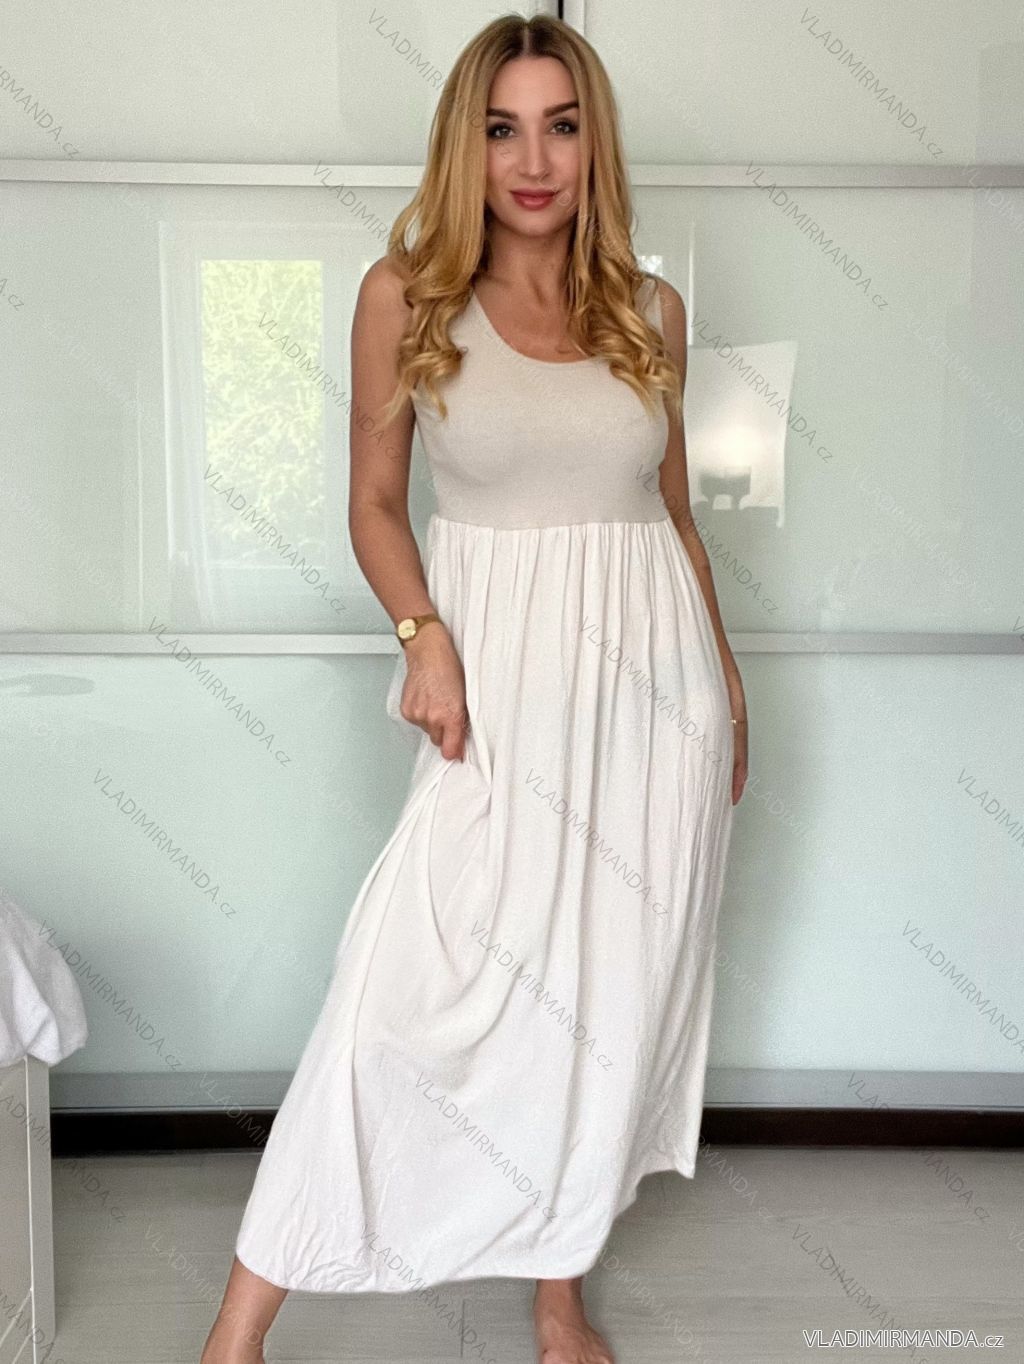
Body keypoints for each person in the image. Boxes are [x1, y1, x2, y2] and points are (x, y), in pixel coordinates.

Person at [201, 12, 748, 1364]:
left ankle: (559, 1297)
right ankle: (238, 1332)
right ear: (467, 142)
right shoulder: (407, 297)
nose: (534, 160)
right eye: (504, 128)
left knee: (607, 1000)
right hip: (498, 694)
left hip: (653, 709)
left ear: (595, 144)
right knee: (403, 982)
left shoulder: (652, 314)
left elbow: (677, 519)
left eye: (562, 126)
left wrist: (728, 691)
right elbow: (374, 504)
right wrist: (422, 637)